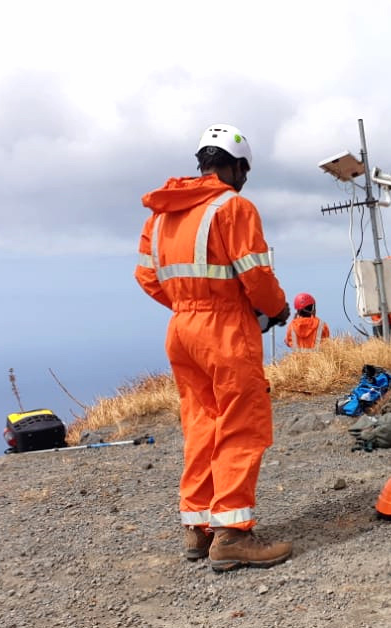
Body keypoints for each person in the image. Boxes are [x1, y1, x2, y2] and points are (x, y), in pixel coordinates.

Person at [135, 123, 294, 572]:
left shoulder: (162, 215)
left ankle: (197, 526)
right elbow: (256, 277)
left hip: (181, 328)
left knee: (200, 422)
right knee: (241, 424)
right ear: (237, 166)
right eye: (245, 170)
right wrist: (275, 310)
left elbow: (147, 276)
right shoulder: (234, 206)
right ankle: (232, 535)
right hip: (224, 329)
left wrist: (188, 305)